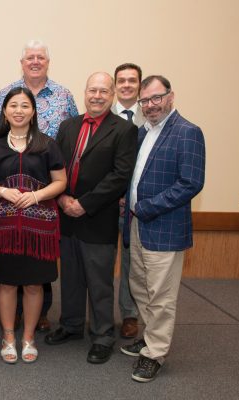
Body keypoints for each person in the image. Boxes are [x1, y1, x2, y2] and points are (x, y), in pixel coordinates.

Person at [46, 72, 137, 365]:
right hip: (67, 215)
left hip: (98, 216)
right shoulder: (68, 126)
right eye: (92, 90)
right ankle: (71, 325)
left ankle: (102, 335)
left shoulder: (123, 130)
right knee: (71, 277)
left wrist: (84, 204)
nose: (97, 96)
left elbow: (120, 175)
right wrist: (60, 198)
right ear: (85, 92)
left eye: (103, 91)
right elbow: (56, 166)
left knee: (99, 281)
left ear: (112, 95)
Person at [121, 75, 205, 382]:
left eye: (156, 98)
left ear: (170, 96)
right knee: (140, 286)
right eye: (145, 101)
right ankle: (149, 337)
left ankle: (155, 353)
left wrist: (147, 207)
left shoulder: (187, 132)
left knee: (162, 294)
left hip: (164, 227)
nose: (151, 105)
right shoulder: (144, 133)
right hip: (136, 225)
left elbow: (191, 182)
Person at [0, 40, 79, 330]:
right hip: (7, 213)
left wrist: (41, 194)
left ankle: (38, 319)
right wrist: (4, 191)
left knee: (38, 273)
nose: (35, 61)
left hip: (46, 198)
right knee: (9, 277)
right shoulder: (2, 95)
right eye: (29, 57)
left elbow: (72, 137)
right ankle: (11, 323)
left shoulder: (64, 96)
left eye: (40, 57)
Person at [0, 87, 66, 363]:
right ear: (5, 112)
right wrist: (3, 192)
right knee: (6, 283)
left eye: (25, 106)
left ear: (33, 111)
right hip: (5, 229)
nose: (19, 111)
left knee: (33, 284)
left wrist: (36, 195)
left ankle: (28, 337)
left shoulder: (47, 144)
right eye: (13, 106)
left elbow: (60, 182)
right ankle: (8, 336)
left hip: (39, 230)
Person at [111, 63, 145, 339]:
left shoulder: (151, 117)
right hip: (106, 204)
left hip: (136, 205)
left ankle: (129, 314)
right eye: (121, 80)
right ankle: (100, 315)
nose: (126, 85)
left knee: (131, 264)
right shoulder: (100, 115)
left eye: (131, 81)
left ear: (140, 85)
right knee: (102, 262)